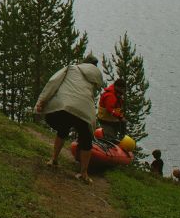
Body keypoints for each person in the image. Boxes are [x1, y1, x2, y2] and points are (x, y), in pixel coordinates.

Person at [34, 54, 104, 184]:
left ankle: (54, 159)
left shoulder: (72, 68)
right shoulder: (96, 77)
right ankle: (84, 173)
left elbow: (53, 83)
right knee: (86, 139)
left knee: (62, 129)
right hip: (84, 109)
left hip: (65, 105)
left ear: (83, 62)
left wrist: (42, 101)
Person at [97, 77, 126, 142]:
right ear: (118, 87)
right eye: (122, 89)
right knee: (110, 138)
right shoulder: (110, 95)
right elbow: (110, 109)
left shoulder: (116, 93)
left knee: (114, 136)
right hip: (106, 120)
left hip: (112, 120)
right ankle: (108, 148)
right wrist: (120, 117)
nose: (123, 91)